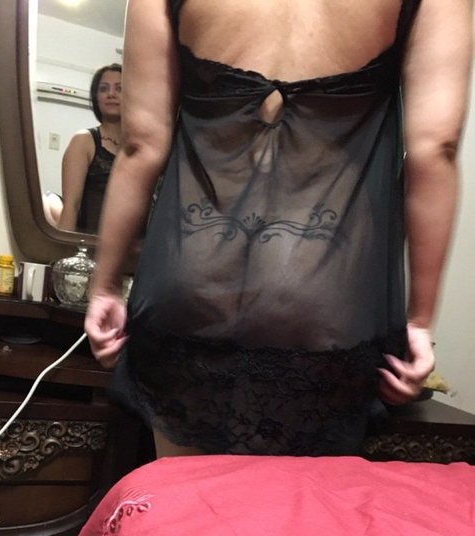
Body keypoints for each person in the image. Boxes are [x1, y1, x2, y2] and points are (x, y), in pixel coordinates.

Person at [85, 0, 472, 459]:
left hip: (192, 279)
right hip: (324, 291)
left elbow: (140, 146)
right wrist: (419, 320)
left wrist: (104, 287)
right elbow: (434, 150)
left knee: (189, 495)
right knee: (292, 502)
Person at [57, 63, 122, 234]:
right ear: (96, 97)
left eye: (120, 88)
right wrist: (62, 249)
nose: (111, 94)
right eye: (103, 88)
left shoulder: (142, 146)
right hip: (89, 244)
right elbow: (71, 206)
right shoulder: (83, 141)